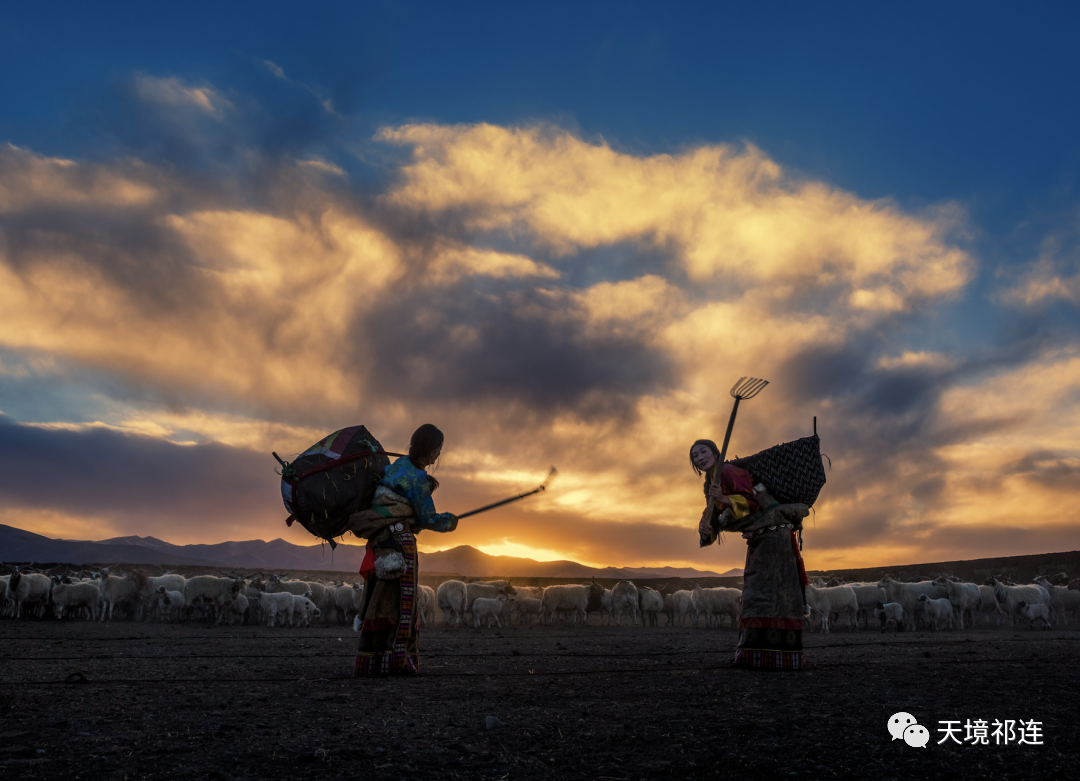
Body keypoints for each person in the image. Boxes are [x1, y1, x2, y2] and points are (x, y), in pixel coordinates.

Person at [691, 438, 809, 670]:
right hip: (759, 537)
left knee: (766, 590)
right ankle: (757, 654)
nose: (699, 457)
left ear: (715, 452)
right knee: (759, 590)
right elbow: (713, 515)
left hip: (773, 532)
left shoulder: (728, 471)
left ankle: (777, 656)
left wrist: (723, 499)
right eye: (695, 456)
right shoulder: (711, 483)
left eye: (703, 451)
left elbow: (752, 502)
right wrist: (705, 527)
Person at [353, 424, 458, 676]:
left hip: (381, 542)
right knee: (401, 602)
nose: (438, 455)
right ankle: (398, 660)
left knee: (379, 597)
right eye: (438, 450)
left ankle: (373, 660)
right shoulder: (417, 478)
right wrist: (449, 521)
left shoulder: (397, 465)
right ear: (429, 449)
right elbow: (428, 518)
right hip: (400, 544)